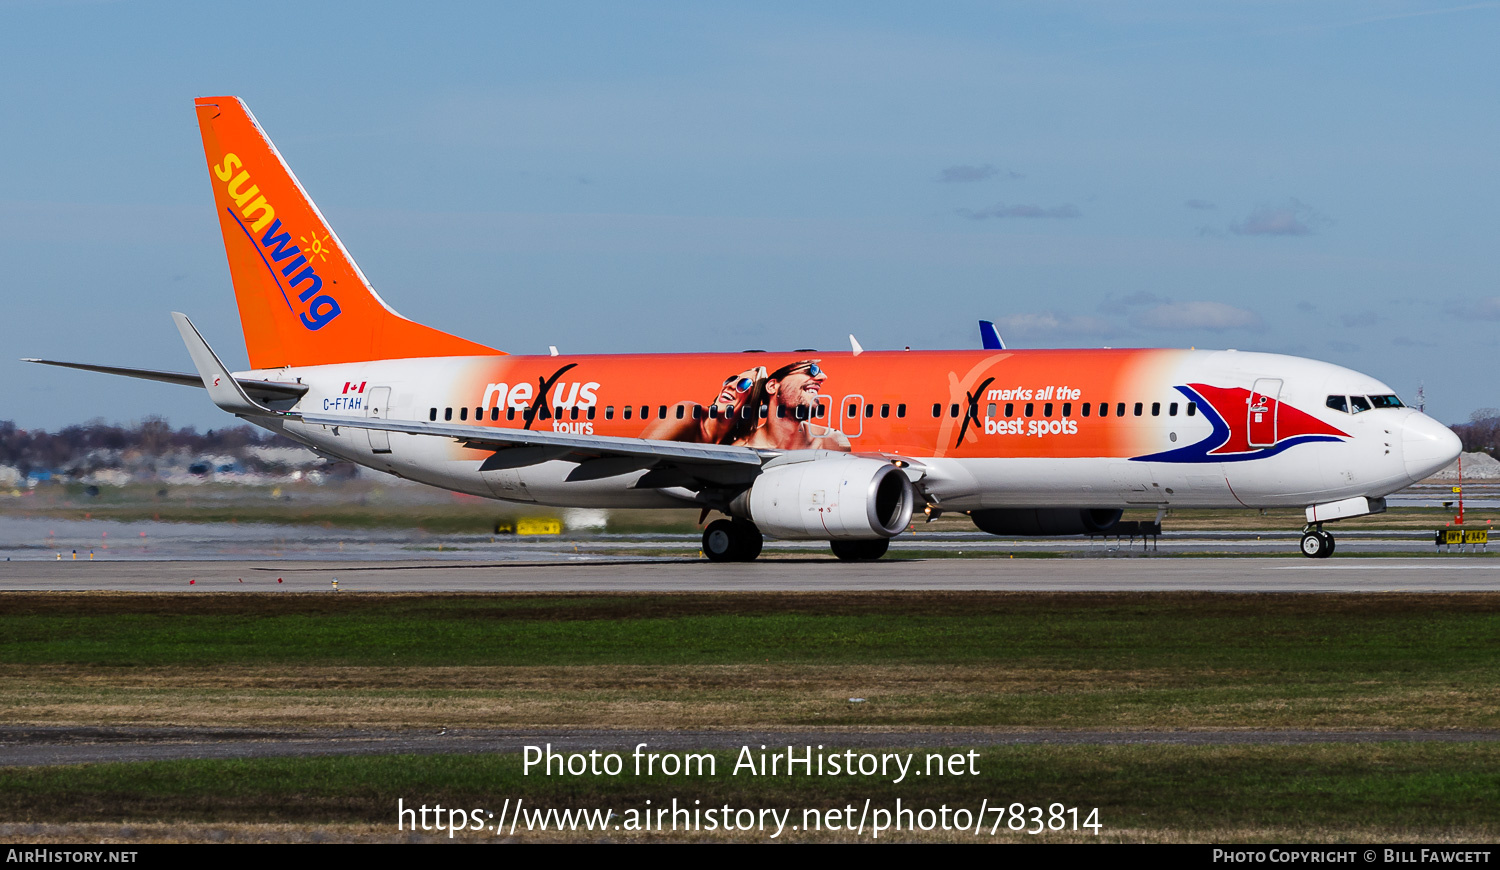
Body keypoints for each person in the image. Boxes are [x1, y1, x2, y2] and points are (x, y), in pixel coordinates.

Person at [734, 360, 850, 451]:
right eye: (810, 370)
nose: (822, 378)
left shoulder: (832, 441)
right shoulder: (741, 449)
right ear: (772, 386)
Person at [641, 366, 767, 444]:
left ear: (752, 401)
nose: (730, 385)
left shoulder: (735, 442)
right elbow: (635, 462)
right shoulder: (689, 414)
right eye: (732, 379)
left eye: (743, 384)